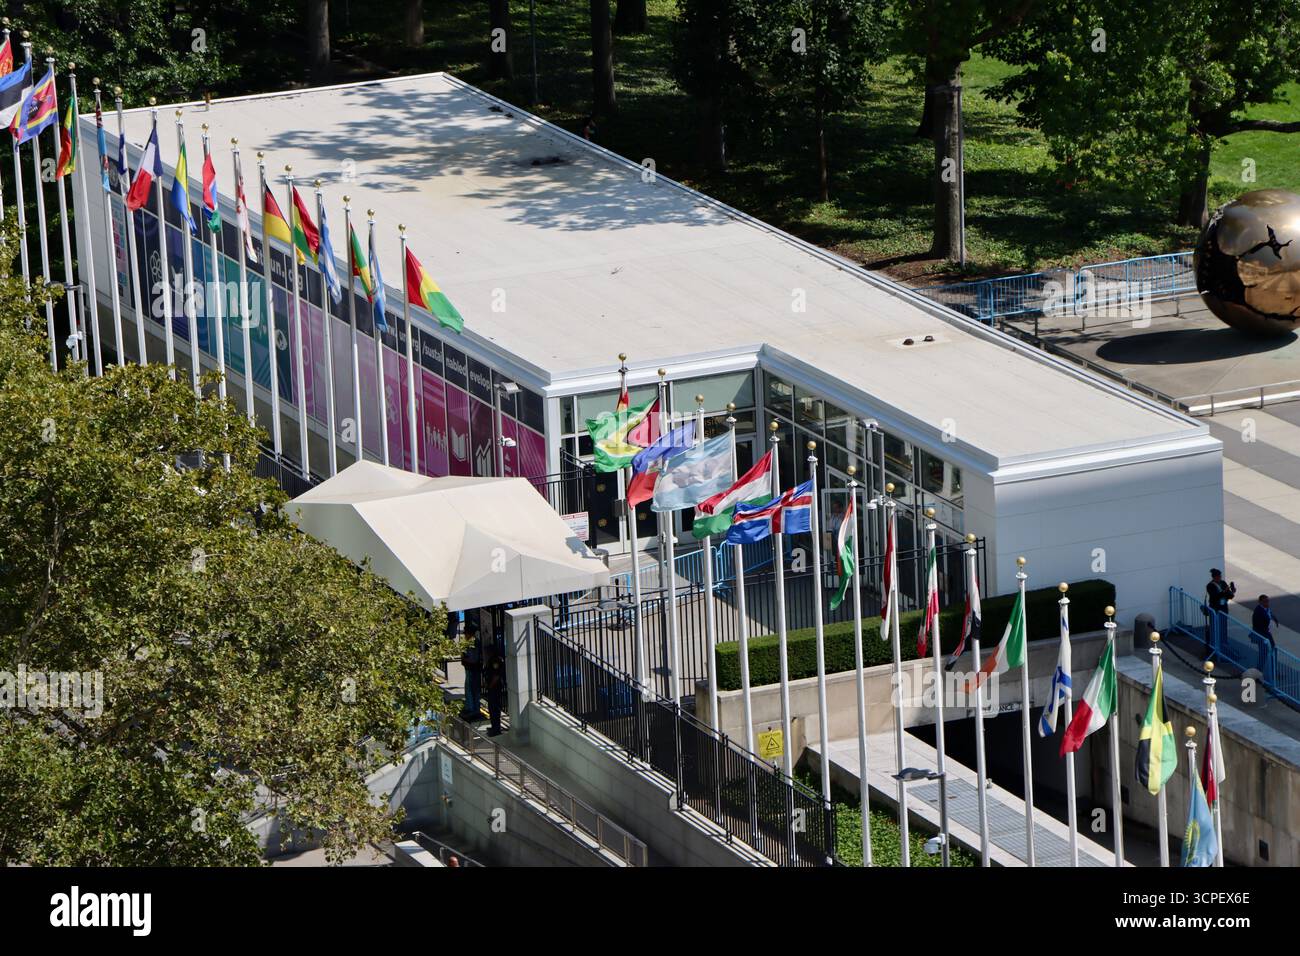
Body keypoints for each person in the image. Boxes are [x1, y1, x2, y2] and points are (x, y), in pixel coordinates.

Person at [1205, 568, 1236, 655]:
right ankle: (1214, 644)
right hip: (1215, 609)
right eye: (1218, 576)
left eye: (1220, 576)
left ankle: (1224, 643)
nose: (1220, 578)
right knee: (1215, 627)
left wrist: (1231, 592)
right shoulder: (1210, 586)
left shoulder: (1223, 583)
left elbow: (1229, 595)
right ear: (1214, 577)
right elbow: (1215, 597)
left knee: (1223, 626)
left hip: (1223, 608)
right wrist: (1224, 592)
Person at [459, 616, 483, 721]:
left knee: (473, 690)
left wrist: (464, 659)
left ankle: (474, 710)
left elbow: (474, 659)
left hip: (473, 670)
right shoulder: (469, 643)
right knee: (469, 689)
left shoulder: (473, 644)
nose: (465, 635)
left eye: (466, 633)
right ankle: (471, 708)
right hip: (470, 669)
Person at [1252, 595, 1278, 684]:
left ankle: (1273, 672)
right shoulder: (1258, 611)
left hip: (1267, 634)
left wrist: (1275, 621)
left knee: (1272, 650)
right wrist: (1269, 624)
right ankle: (1258, 674)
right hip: (1262, 635)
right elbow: (1258, 624)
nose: (1267, 603)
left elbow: (1270, 615)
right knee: (1263, 654)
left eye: (1268, 601)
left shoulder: (1266, 609)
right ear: (1260, 602)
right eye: (1265, 601)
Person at [484, 645, 506, 737]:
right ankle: (494, 726)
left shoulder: (496, 660)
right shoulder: (492, 660)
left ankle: (496, 729)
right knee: (491, 709)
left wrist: (490, 686)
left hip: (495, 688)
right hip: (492, 687)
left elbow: (496, 676)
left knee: (494, 709)